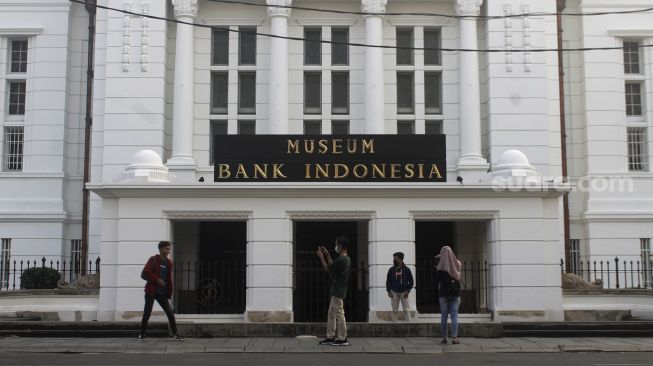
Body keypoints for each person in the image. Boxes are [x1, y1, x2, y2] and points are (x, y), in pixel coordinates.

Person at [138, 241, 183, 341]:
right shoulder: (153, 260)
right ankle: (142, 334)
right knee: (147, 313)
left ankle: (176, 334)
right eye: (167, 249)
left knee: (170, 313)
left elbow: (168, 279)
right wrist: (157, 280)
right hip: (151, 291)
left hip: (162, 293)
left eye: (169, 249)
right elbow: (145, 273)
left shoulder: (169, 263)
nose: (168, 251)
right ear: (161, 249)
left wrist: (169, 290)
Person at [316, 236, 351, 346]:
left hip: (338, 290)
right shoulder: (344, 258)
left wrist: (321, 257)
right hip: (337, 290)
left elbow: (327, 269)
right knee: (331, 314)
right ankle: (330, 337)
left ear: (340, 246)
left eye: (336, 244)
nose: (335, 246)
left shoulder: (342, 259)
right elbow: (332, 267)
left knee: (339, 314)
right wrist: (327, 255)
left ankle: (342, 338)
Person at [435, 245, 462, 345]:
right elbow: (458, 277)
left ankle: (444, 338)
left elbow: (438, 280)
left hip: (443, 294)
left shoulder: (440, 267)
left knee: (444, 316)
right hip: (455, 294)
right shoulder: (457, 264)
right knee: (454, 316)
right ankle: (454, 338)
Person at [385, 252, 414, 322]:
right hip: (394, 292)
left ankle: (409, 325)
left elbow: (411, 281)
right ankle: (394, 326)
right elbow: (388, 281)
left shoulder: (407, 270)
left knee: (406, 310)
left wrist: (408, 290)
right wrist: (389, 291)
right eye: (394, 258)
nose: (394, 260)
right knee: (394, 310)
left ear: (401, 259)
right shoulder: (391, 270)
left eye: (395, 258)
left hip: (404, 292)